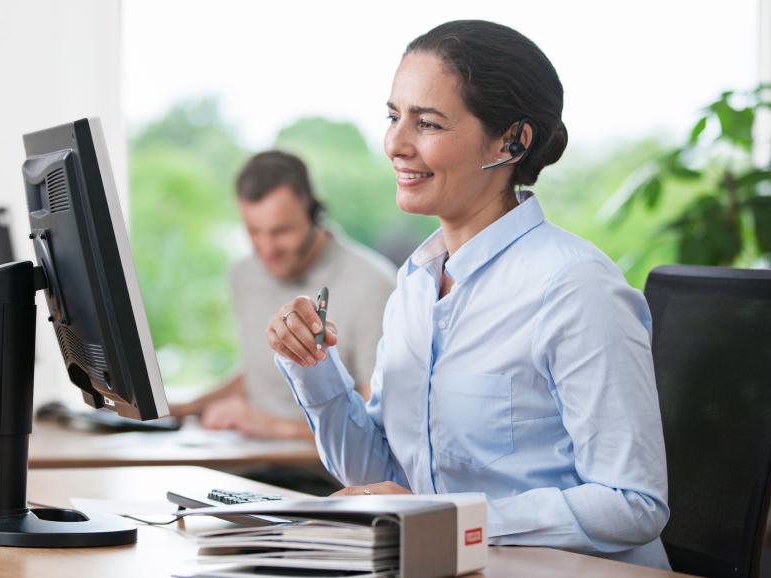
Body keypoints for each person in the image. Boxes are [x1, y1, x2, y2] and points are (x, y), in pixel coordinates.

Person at [265, 20, 671, 570]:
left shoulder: (575, 288)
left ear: (512, 141)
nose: (395, 144)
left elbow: (634, 503)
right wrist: (312, 367)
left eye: (427, 123)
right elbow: (381, 474)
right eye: (393, 116)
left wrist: (448, 517)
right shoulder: (413, 286)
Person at [171, 151, 396, 440]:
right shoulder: (244, 274)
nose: (266, 249)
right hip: (248, 457)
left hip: (317, 475)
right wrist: (183, 408)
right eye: (253, 231)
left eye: (281, 231)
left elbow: (377, 429)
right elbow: (261, 376)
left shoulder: (373, 286)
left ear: (316, 214)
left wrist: (269, 425)